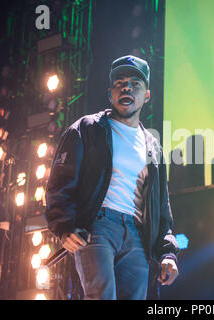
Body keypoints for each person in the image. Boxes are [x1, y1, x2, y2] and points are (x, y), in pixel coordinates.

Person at [44, 55, 179, 300]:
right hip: (98, 227)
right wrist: (65, 226)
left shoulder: (153, 148)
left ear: (146, 95)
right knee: (101, 296)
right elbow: (59, 182)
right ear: (110, 94)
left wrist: (167, 254)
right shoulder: (87, 129)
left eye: (135, 84)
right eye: (120, 83)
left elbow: (161, 209)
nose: (126, 87)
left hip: (137, 235)